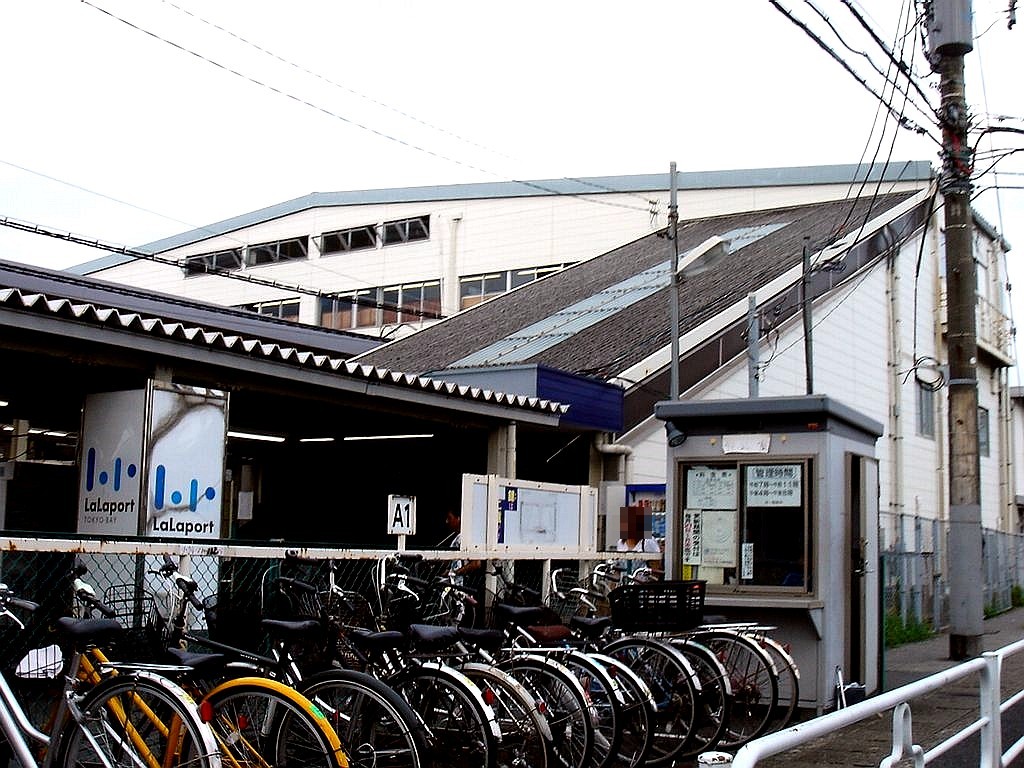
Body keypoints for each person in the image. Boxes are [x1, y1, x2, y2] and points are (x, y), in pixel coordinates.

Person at [616, 505, 663, 578]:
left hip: (642, 585)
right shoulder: (621, 542)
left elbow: (656, 569)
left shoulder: (648, 541)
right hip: (625, 584)